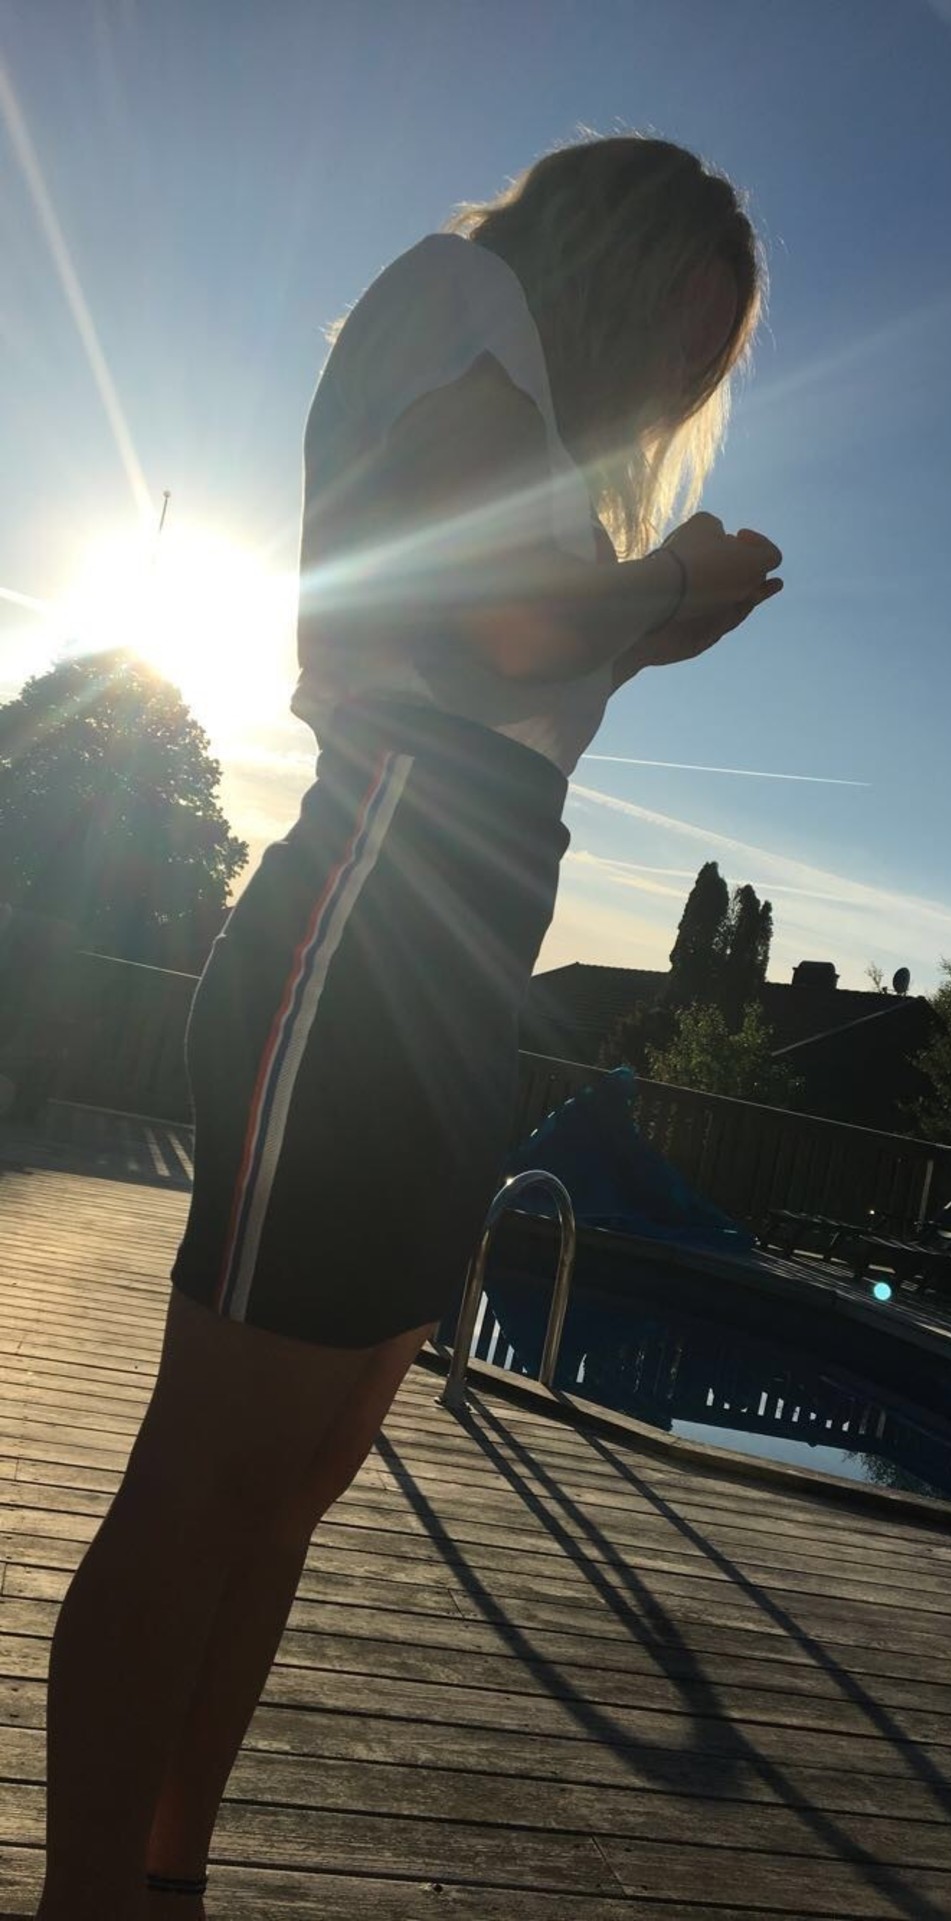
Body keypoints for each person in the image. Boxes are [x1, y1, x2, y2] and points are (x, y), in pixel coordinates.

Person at [35, 133, 782, 1920]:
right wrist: (671, 592)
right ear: (621, 257)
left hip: (451, 970)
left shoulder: (541, 447)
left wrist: (647, 607)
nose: (686, 377)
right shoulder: (459, 300)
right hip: (363, 926)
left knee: (292, 1485)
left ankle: (167, 1882)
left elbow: (525, 644)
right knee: (208, 1474)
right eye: (690, 327)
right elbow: (495, 624)